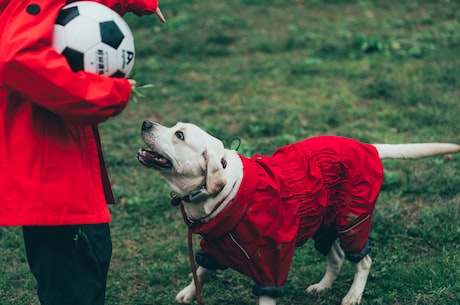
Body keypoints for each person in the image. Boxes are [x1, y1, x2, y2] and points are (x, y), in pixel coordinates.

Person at [0, 1, 165, 304]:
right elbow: (17, 58)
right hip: (54, 171)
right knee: (76, 277)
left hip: (59, 164)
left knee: (90, 259)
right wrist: (108, 93)